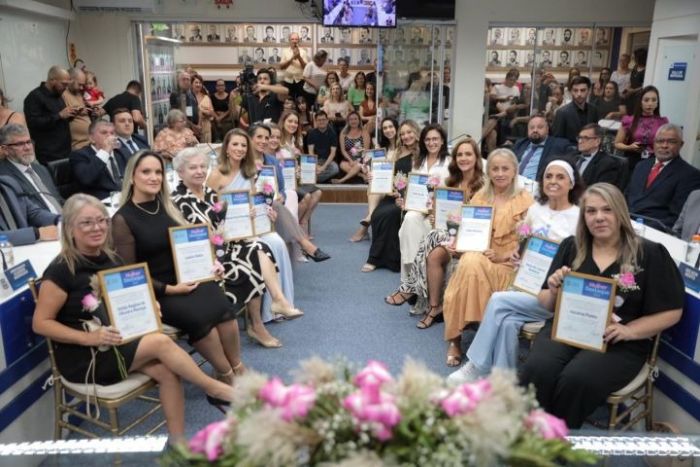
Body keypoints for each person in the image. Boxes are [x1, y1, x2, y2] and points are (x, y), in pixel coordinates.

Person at [32, 194, 235, 443]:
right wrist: (89, 338)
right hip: (87, 356)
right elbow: (41, 323)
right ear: (70, 228)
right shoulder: (61, 270)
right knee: (160, 342)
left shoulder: (113, 259)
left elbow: (129, 298)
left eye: (102, 220)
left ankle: (178, 443)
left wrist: (150, 306)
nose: (97, 227)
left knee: (167, 371)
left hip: (119, 342)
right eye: (86, 222)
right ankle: (214, 388)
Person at [520, 183, 684, 429]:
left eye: (607, 210)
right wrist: (553, 290)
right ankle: (529, 432)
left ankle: (558, 439)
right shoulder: (571, 247)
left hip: (619, 342)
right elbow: (545, 301)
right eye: (591, 211)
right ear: (583, 216)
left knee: (576, 379)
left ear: (621, 212)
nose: (599, 217)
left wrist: (630, 331)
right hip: (567, 331)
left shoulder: (649, 253)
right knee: (538, 369)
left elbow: (672, 311)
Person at [113, 150, 245, 386]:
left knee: (225, 311)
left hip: (188, 277)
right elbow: (129, 274)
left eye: (158, 172)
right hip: (158, 290)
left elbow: (188, 245)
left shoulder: (168, 206)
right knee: (200, 320)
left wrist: (210, 264)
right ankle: (225, 375)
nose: (154, 177)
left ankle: (238, 368)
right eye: (146, 172)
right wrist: (170, 289)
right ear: (132, 176)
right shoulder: (122, 219)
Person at [448, 158, 583, 383]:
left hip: (554, 292)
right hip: (526, 282)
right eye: (549, 176)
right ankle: (505, 381)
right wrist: (516, 255)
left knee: (498, 300)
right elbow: (523, 245)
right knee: (508, 322)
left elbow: (580, 261)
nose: (553, 181)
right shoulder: (535, 210)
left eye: (560, 177)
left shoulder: (579, 217)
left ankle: (476, 364)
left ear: (571, 183)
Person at [172, 148, 302, 348]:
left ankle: (277, 300)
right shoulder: (176, 201)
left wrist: (246, 217)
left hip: (223, 247)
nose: (199, 171)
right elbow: (184, 239)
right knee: (250, 262)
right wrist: (213, 235)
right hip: (202, 257)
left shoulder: (209, 193)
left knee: (258, 246)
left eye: (203, 167)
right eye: (193, 168)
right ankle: (257, 325)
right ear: (180, 172)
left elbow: (222, 222)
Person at [442, 148, 534, 366]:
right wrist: (459, 245)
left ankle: (458, 338)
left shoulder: (526, 201)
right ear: (488, 171)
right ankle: (468, 339)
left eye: (505, 169)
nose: (500, 173)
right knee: (470, 261)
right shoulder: (480, 196)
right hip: (479, 254)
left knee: (469, 266)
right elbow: (468, 231)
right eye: (495, 169)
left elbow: (529, 244)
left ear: (514, 171)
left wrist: (502, 255)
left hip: (509, 263)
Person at [386, 137, 485, 320]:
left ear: (476, 157)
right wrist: (435, 216)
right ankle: (433, 305)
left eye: (468, 154)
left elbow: (481, 221)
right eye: (460, 155)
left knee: (432, 236)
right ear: (455, 159)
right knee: (433, 241)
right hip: (450, 234)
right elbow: (444, 216)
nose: (463, 158)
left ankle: (410, 287)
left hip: (471, 236)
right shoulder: (452, 182)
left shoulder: (484, 186)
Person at [206, 129, 297, 322]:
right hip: (225, 233)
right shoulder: (216, 175)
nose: (240, 149)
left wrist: (264, 212)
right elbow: (208, 210)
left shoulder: (249, 173)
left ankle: (279, 305)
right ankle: (274, 304)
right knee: (262, 246)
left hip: (248, 228)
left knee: (277, 241)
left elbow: (253, 202)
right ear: (226, 148)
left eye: (243, 145)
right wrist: (227, 214)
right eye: (235, 144)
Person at [245, 124, 330, 262]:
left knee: (280, 202)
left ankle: (301, 246)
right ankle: (305, 243)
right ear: (249, 138)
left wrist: (281, 196)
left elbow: (281, 188)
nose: (264, 141)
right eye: (259, 137)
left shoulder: (272, 161)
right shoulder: (243, 161)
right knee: (277, 206)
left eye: (266, 138)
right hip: (251, 206)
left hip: (271, 205)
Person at [396, 124, 451, 285]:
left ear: (442, 141)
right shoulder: (418, 162)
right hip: (420, 210)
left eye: (435, 139)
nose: (431, 143)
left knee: (414, 225)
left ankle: (413, 281)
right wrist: (405, 201)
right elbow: (413, 189)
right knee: (410, 218)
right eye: (427, 139)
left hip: (439, 215)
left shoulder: (450, 163)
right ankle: (414, 277)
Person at [362, 120, 420, 273]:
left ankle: (382, 259)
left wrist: (405, 195)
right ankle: (377, 257)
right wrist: (374, 177)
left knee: (391, 214)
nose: (406, 136)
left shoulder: (422, 153)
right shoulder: (398, 152)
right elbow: (388, 174)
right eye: (403, 134)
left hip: (411, 197)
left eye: (409, 132)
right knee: (377, 214)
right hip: (393, 194)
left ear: (416, 132)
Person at [625, 124, 700, 230]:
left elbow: (676, 218)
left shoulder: (690, 174)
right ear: (654, 143)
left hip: (653, 231)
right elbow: (625, 197)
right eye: (660, 141)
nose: (664, 145)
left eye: (671, 142)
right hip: (624, 223)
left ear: (681, 144)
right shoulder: (641, 166)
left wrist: (640, 228)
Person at [350, 117, 399, 242]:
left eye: (391, 127)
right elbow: (374, 166)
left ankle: (366, 224)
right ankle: (370, 217)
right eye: (385, 128)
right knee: (373, 183)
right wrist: (368, 171)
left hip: (397, 183)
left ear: (396, 128)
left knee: (376, 188)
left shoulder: (402, 148)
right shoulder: (381, 148)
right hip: (383, 182)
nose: (388, 130)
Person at [277, 111, 322, 238]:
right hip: (284, 181)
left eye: (296, 122)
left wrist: (307, 169)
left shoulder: (295, 140)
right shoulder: (277, 140)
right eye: (290, 121)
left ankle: (303, 221)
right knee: (306, 197)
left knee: (317, 192)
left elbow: (299, 161)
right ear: (283, 122)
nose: (293, 124)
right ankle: (294, 227)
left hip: (296, 179)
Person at [0, 124, 63, 213]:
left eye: (29, 142)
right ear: (5, 149)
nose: (27, 148)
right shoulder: (4, 177)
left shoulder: (42, 169)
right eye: (20, 144)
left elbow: (58, 199)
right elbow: (23, 212)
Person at [70, 120, 132, 200]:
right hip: (100, 202)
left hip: (127, 198)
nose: (109, 136)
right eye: (104, 133)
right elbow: (86, 179)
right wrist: (105, 151)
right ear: (92, 138)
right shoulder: (79, 155)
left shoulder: (123, 152)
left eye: (112, 133)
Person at [24, 66, 73, 164]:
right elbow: (33, 123)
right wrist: (59, 115)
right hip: (49, 154)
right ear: (52, 80)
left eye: (67, 84)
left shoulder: (58, 95)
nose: (66, 88)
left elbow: (60, 120)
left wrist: (71, 114)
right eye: (63, 84)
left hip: (66, 150)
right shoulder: (34, 97)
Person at [614, 85, 668, 174]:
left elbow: (665, 144)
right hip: (632, 160)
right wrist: (629, 147)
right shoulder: (629, 120)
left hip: (653, 161)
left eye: (654, 100)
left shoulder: (662, 122)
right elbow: (617, 143)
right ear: (640, 102)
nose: (650, 103)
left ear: (657, 103)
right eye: (646, 100)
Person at [512, 115, 572, 181]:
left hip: (536, 184)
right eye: (532, 127)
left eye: (540, 127)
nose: (535, 130)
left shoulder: (559, 145)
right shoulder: (520, 144)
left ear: (547, 129)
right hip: (513, 183)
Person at [552, 76, 600, 144]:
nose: (579, 94)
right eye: (575, 90)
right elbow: (557, 140)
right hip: (570, 149)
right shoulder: (562, 113)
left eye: (583, 90)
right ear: (571, 91)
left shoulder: (594, 110)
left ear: (589, 91)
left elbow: (596, 134)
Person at [574, 124, 621, 188]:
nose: (580, 141)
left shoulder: (607, 164)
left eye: (585, 138)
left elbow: (600, 190)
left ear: (597, 141)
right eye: (579, 138)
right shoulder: (572, 156)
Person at [334, 112, 370, 185]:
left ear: (359, 120)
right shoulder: (343, 133)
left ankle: (342, 180)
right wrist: (350, 160)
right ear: (348, 121)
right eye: (351, 119)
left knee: (359, 165)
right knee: (342, 164)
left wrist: (358, 160)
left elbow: (366, 150)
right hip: (348, 158)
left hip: (362, 158)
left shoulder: (364, 132)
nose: (353, 121)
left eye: (355, 119)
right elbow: (343, 150)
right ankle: (362, 176)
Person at [307, 111, 340, 183]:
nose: (321, 122)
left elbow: (333, 153)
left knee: (335, 168)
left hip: (328, 161)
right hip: (315, 160)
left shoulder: (332, 133)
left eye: (323, 119)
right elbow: (310, 151)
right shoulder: (311, 133)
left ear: (327, 120)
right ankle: (318, 177)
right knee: (306, 167)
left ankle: (313, 178)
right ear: (316, 121)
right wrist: (316, 165)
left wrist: (323, 167)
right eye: (319, 120)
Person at [279, 32, 308, 101]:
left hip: (300, 81)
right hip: (288, 81)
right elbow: (281, 67)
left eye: (296, 39)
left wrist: (299, 57)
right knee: (288, 101)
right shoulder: (285, 51)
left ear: (299, 41)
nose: (294, 41)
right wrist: (292, 58)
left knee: (300, 100)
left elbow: (306, 68)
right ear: (289, 40)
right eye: (292, 39)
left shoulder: (303, 52)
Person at [191, 74, 214, 144]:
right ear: (191, 84)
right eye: (196, 82)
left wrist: (203, 111)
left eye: (200, 83)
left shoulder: (206, 97)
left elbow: (212, 113)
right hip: (193, 128)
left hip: (206, 128)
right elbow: (188, 113)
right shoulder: (189, 97)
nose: (198, 85)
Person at [624, 48, 647, 114]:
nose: (633, 58)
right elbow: (631, 81)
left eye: (635, 57)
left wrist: (634, 91)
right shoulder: (635, 67)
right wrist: (628, 89)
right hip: (631, 96)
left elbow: (645, 84)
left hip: (639, 95)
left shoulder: (647, 69)